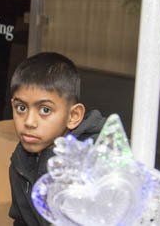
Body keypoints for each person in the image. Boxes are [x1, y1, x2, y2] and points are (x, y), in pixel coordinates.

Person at [8, 52, 107, 226]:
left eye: (45, 110)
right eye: (21, 107)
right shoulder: (20, 162)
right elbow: (22, 221)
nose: (29, 122)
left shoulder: (96, 162)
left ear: (73, 115)